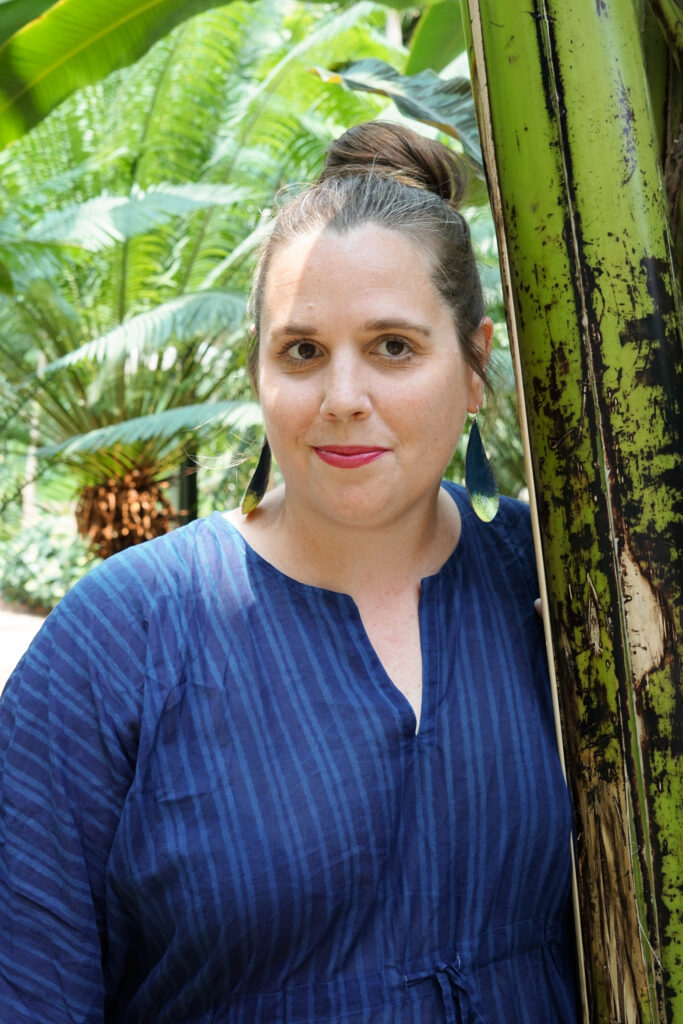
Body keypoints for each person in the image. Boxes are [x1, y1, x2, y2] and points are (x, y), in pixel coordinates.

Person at [0, 122, 578, 1023]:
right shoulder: (124, 636)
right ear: (259, 373)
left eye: (393, 346)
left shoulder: (558, 587)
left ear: (475, 365)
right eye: (302, 351)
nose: (343, 397)